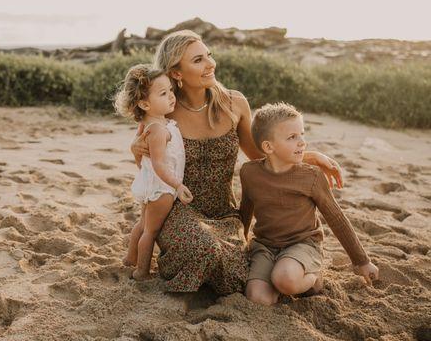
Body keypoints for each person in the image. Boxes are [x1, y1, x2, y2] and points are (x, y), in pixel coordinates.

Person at [131, 29, 343, 294]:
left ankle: (305, 271)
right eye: (198, 60)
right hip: (179, 209)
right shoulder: (165, 111)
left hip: (224, 211)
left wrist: (312, 156)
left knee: (237, 273)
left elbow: (259, 155)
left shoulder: (235, 103)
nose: (210, 64)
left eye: (209, 55)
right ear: (176, 73)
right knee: (203, 247)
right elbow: (145, 159)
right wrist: (136, 147)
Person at [239, 102, 379, 305]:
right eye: (292, 137)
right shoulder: (249, 172)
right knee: (257, 298)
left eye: (302, 134)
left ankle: (313, 276)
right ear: (268, 147)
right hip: (266, 246)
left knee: (284, 278)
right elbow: (245, 211)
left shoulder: (311, 176)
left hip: (303, 244)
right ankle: (284, 281)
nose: (302, 142)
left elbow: (336, 217)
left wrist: (362, 261)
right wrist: (241, 243)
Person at [114, 64, 194, 280]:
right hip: (162, 187)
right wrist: (177, 185)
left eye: (170, 90)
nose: (171, 97)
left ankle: (130, 258)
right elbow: (159, 164)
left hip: (150, 182)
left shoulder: (149, 123)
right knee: (151, 231)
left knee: (142, 223)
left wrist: (143, 170)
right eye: (163, 93)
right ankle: (141, 271)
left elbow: (140, 154)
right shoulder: (159, 130)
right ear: (144, 103)